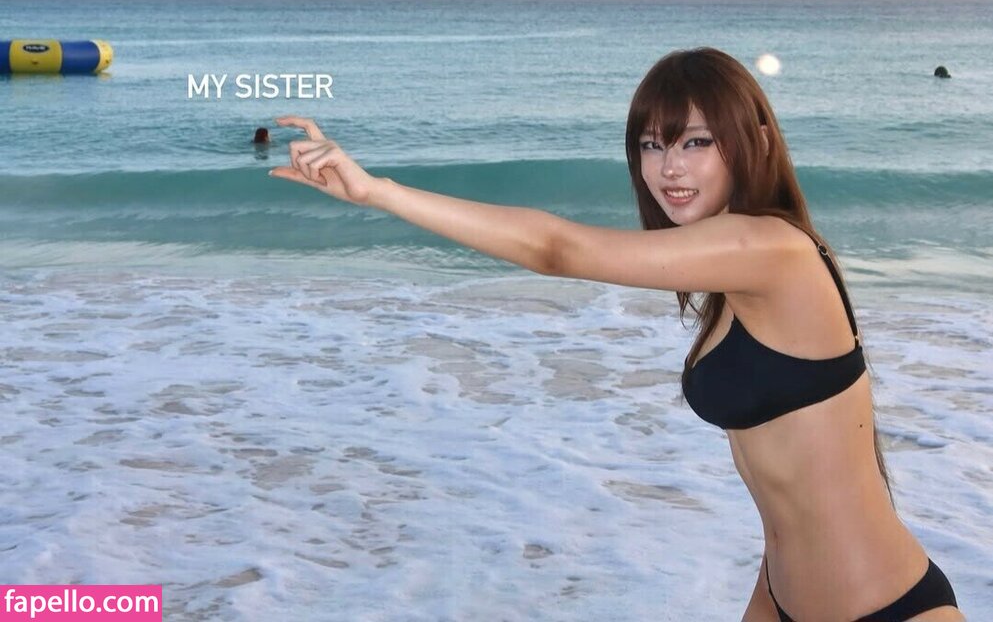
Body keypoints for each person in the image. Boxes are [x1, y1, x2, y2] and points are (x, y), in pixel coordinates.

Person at [269, 48, 963, 622]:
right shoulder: (732, 273)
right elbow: (791, 489)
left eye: (696, 142)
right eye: (652, 145)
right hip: (781, 595)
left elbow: (557, 249)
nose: (668, 168)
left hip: (883, 607)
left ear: (753, 140)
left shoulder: (771, 250)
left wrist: (378, 191)